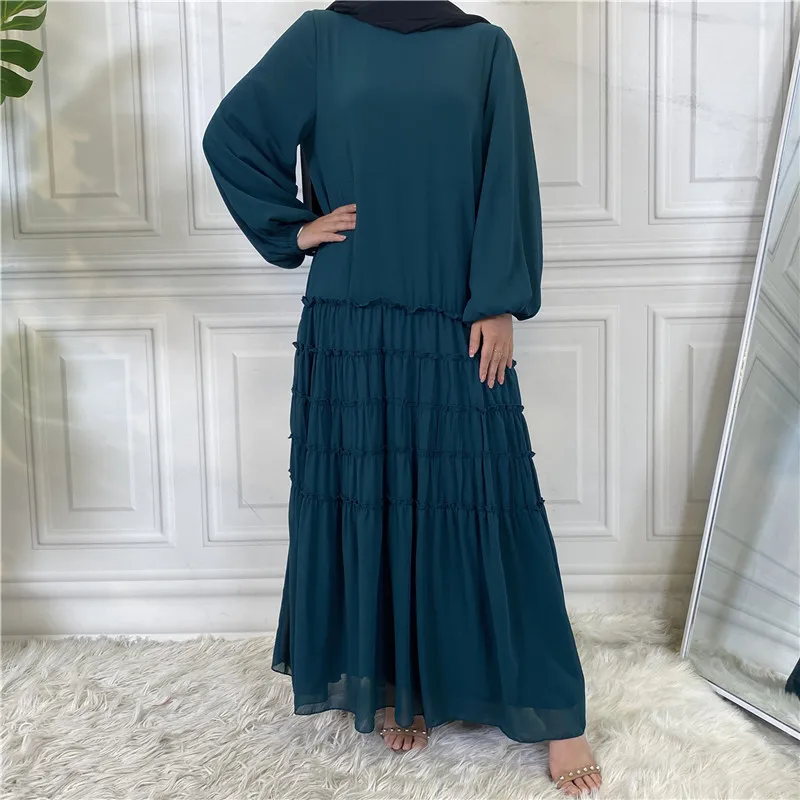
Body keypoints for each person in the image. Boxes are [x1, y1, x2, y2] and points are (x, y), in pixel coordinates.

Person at [202, 2, 602, 795]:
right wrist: (295, 228)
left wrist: (498, 298)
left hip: (455, 311)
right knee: (372, 495)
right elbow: (231, 134)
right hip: (352, 314)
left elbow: (506, 173)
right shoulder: (322, 37)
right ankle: (393, 684)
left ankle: (558, 715)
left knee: (491, 496)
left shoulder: (484, 48)